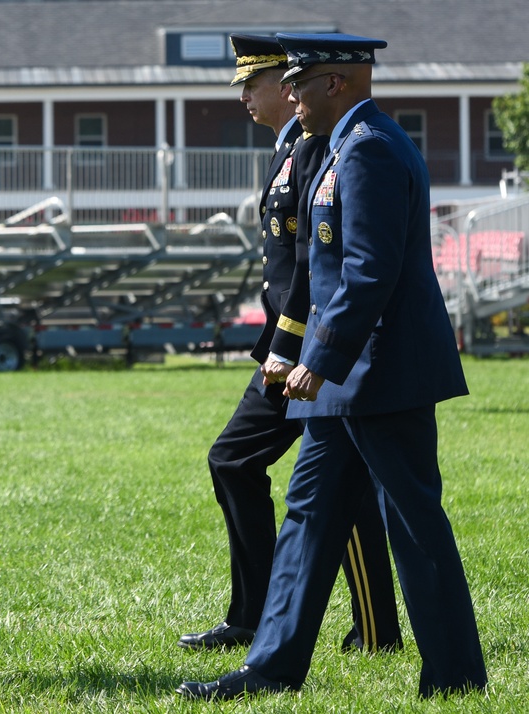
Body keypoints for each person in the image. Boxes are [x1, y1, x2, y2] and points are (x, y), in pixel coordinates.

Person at [177, 33, 487, 700]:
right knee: (308, 517)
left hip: (382, 376)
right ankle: (270, 670)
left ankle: (456, 677)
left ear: (338, 83)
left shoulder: (370, 148)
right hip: (343, 383)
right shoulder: (338, 147)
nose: (289, 94)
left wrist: (320, 359)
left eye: (300, 82)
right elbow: (317, 273)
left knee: (413, 524)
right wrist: (301, 355)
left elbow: (367, 271)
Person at [177, 34, 400, 654]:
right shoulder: (291, 149)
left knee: (258, 465)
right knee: (330, 480)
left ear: (288, 84)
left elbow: (313, 262)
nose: (245, 95)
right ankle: (360, 626)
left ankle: (334, 624)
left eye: (254, 82)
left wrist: (289, 344)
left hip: (304, 348)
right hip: (291, 343)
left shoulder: (315, 149)